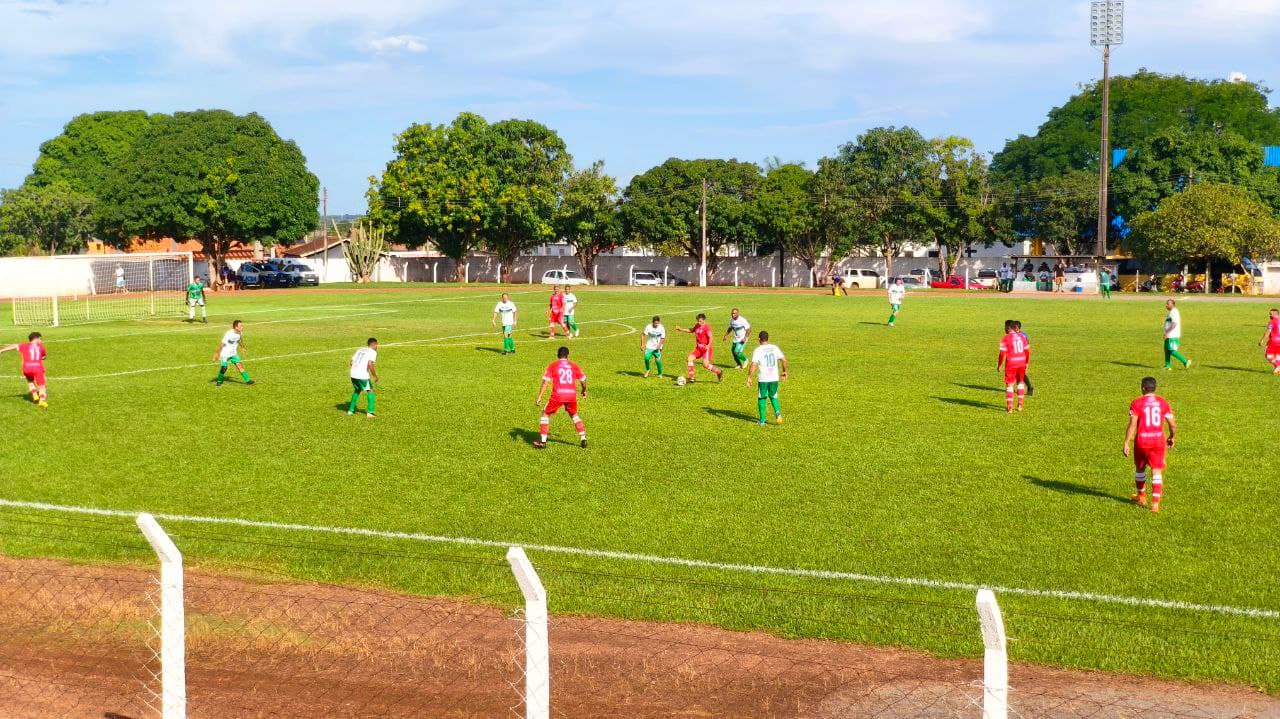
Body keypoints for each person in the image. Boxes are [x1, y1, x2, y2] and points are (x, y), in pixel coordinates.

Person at [1123, 376, 1176, 513]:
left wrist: (1126, 442)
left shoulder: (1136, 403)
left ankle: (1141, 496)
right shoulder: (1163, 402)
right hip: (1158, 441)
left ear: (1143, 388)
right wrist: (1172, 436)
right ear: (1154, 388)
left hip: (1142, 441)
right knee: (1156, 471)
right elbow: (1172, 425)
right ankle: (1155, 504)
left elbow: (1132, 424)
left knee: (1140, 469)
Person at [533, 345, 587, 449]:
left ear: (558, 355)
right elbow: (583, 380)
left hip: (558, 395)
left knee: (545, 414)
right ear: (568, 356)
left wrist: (539, 396)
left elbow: (545, 382)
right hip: (571, 395)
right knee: (574, 415)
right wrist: (584, 390)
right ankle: (583, 438)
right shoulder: (574, 366)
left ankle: (543, 442)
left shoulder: (553, 365)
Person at [745, 330, 788, 426]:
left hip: (764, 378)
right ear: (768, 339)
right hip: (774, 378)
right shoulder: (774, 348)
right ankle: (777, 413)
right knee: (774, 395)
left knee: (762, 397)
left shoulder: (758, 350)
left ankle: (762, 421)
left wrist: (749, 377)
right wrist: (784, 371)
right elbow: (784, 360)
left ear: (759, 339)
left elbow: (753, 365)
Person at [1, 332, 48, 408]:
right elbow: (43, 357)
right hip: (37, 367)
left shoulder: (24, 345)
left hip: (27, 367)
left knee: (30, 381)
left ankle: (34, 394)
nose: (40, 341)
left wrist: (2, 350)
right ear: (36, 339)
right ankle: (42, 401)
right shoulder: (41, 347)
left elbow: (14, 346)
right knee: (42, 386)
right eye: (40, 339)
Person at [675, 313, 723, 383]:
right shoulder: (697, 325)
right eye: (698, 321)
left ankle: (719, 372)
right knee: (689, 359)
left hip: (706, 349)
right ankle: (692, 378)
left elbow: (711, 337)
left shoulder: (707, 328)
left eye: (700, 321)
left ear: (704, 320)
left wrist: (708, 345)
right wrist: (681, 329)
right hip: (698, 349)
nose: (698, 322)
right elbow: (691, 330)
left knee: (705, 365)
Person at [997, 320, 1030, 413]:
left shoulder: (1006, 338)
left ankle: (1010, 407)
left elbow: (1002, 353)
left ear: (1008, 328)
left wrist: (999, 365)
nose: (1004, 329)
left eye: (1004, 327)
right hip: (1022, 362)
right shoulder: (1022, 336)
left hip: (1011, 364)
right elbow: (1027, 351)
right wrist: (1027, 363)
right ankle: (1020, 405)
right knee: (1020, 383)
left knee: (1010, 384)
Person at [212, 320, 254, 387]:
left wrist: (243, 347)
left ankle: (248, 380)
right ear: (236, 327)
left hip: (233, 353)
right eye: (241, 326)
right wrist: (217, 354)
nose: (242, 327)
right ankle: (219, 381)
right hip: (225, 353)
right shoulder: (229, 334)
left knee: (240, 366)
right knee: (224, 367)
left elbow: (239, 339)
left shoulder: (240, 332)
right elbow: (222, 344)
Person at [347, 337, 379, 418]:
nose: (377, 347)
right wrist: (375, 376)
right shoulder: (373, 352)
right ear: (375, 344)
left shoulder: (360, 349)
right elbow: (370, 364)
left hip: (353, 374)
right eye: (377, 345)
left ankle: (350, 410)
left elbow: (351, 362)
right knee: (370, 391)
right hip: (362, 375)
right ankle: (370, 412)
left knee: (357, 390)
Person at [1163, 299, 1191, 370]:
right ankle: (1167, 366)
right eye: (1166, 304)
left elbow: (1174, 324)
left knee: (1171, 351)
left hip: (1172, 335)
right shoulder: (1171, 312)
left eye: (1168, 304)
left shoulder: (1174, 312)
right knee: (1166, 350)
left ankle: (1185, 362)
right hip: (1169, 334)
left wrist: (1167, 333)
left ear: (1172, 304)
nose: (1166, 305)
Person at [1013, 320, 1034, 396]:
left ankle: (1029, 388)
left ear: (1017, 327)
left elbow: (1027, 347)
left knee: (1020, 373)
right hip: (1017, 356)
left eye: (1013, 327)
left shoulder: (1021, 335)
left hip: (1020, 357)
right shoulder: (1024, 334)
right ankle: (1020, 388)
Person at [1259, 308, 1280, 375]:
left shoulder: (1272, 322)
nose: (1269, 315)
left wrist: (1262, 340)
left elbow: (1267, 333)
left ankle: (1278, 366)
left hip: (1273, 341)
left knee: (1268, 355)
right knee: (1278, 356)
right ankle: (1277, 369)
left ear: (1275, 314)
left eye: (1270, 314)